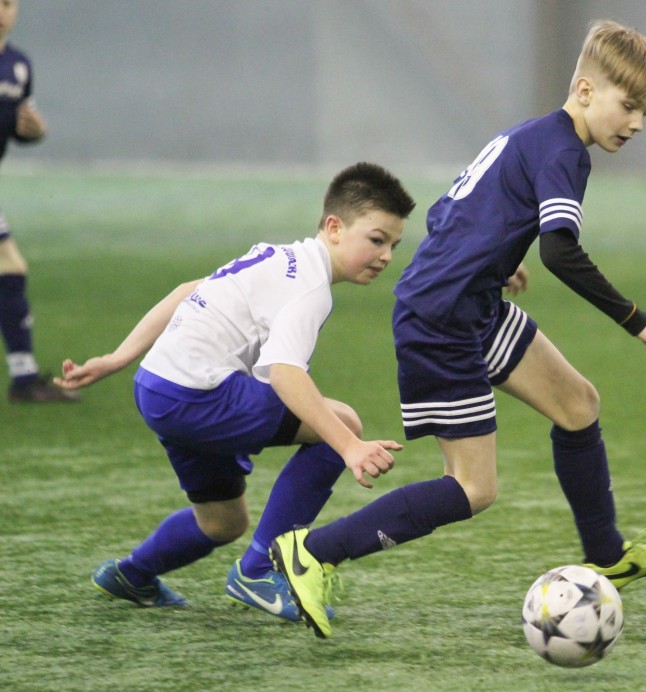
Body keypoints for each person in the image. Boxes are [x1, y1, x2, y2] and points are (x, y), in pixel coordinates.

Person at [271, 20, 646, 639]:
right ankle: (312, 551)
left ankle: (606, 557)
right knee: (472, 488)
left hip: (470, 301)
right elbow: (561, 253)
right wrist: (637, 319)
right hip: (441, 319)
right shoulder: (565, 154)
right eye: (628, 105)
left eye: (645, 113)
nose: (636, 124)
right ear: (584, 90)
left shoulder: (530, 134)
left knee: (578, 405)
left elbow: (450, 209)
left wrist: (492, 258)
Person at [55, 163, 416, 620]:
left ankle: (131, 575)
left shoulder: (275, 255)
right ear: (334, 227)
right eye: (377, 239)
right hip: (197, 394)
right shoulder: (310, 288)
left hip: (157, 387)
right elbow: (285, 373)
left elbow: (188, 291)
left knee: (223, 522)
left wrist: (118, 358)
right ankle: (258, 572)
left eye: (393, 245)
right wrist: (349, 447)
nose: (385, 256)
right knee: (341, 423)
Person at [0, 0, 77, 402]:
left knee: (9, 266)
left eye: (8, 3)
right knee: (9, 265)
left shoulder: (18, 66)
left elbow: (17, 125)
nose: (2, 10)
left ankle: (25, 376)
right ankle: (25, 379)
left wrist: (35, 131)